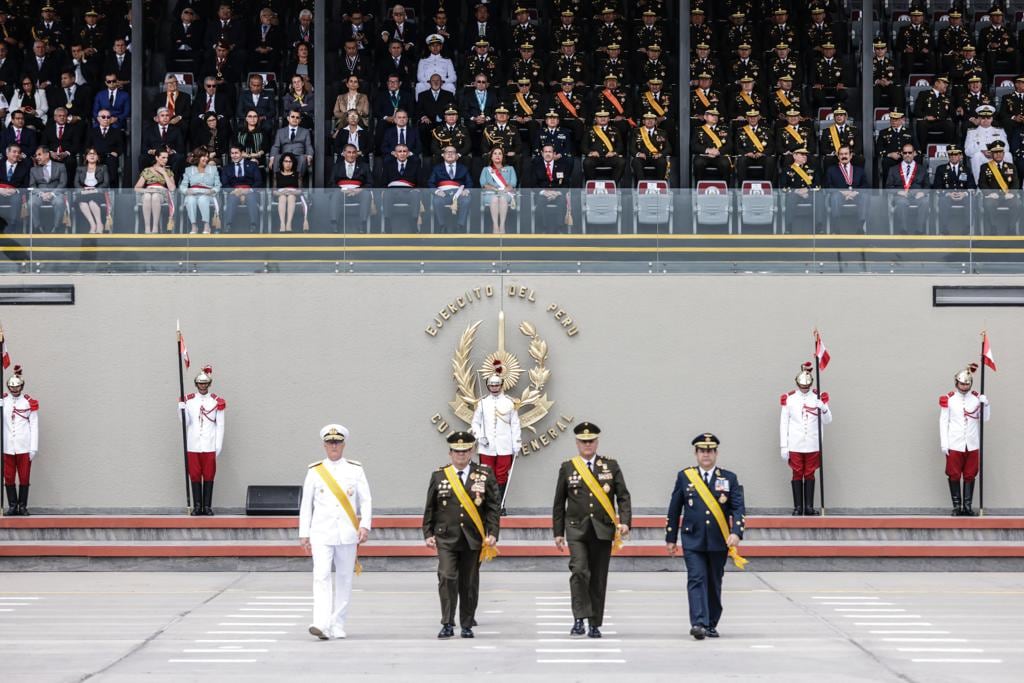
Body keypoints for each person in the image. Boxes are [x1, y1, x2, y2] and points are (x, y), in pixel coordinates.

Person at [552, 422, 631, 639]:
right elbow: (559, 502)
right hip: (576, 529)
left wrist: (625, 521)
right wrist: (558, 532)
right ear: (577, 443)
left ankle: (595, 622)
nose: (587, 444)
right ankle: (579, 618)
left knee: (598, 577)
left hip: (602, 529)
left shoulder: (610, 466)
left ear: (597, 442)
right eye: (583, 441)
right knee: (579, 571)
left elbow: (623, 496)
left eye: (591, 441)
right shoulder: (568, 467)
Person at [665, 433, 746, 641]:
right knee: (696, 578)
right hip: (693, 539)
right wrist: (671, 538)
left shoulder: (728, 478)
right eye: (702, 451)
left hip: (719, 540)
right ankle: (698, 623)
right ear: (696, 453)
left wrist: (736, 532)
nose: (706, 455)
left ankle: (711, 623)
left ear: (716, 453)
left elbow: (738, 508)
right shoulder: (685, 477)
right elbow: (674, 509)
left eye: (710, 451)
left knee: (714, 581)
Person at [423, 431, 500, 639]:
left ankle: (466, 623)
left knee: (469, 582)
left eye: (465, 451)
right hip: (446, 537)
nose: (461, 455)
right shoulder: (439, 475)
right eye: (456, 452)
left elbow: (493, 507)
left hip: (473, 538)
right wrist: (428, 533)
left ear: (472, 451)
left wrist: (493, 532)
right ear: (450, 453)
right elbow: (430, 507)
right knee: (446, 576)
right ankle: (447, 622)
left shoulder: (484, 474)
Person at [299, 424, 371, 640]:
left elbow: (366, 499)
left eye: (337, 442)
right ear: (324, 445)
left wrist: (365, 524)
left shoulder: (355, 469)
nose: (334, 446)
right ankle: (321, 623)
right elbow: (306, 504)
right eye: (330, 442)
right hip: (321, 533)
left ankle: (337, 623)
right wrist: (304, 532)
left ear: (343, 444)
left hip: (347, 533)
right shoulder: (315, 471)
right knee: (321, 577)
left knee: (344, 579)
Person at [780, 362, 832, 516]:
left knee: (809, 474)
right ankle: (798, 507)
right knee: (797, 473)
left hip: (812, 443)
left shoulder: (818, 397)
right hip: (795, 444)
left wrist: (823, 407)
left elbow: (828, 420)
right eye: (802, 385)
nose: (804, 388)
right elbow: (784, 423)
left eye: (807, 385)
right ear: (797, 383)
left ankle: (808, 507)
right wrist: (784, 446)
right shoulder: (789, 399)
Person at [939, 364, 990, 517]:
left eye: (967, 383)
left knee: (970, 474)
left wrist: (985, 404)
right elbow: (943, 421)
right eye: (962, 383)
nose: (964, 386)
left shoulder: (976, 398)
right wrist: (944, 443)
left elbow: (984, 419)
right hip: (954, 443)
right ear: (956, 383)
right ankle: (957, 507)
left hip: (972, 443)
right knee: (953, 474)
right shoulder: (949, 399)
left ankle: (967, 507)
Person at [179, 365, 225, 516]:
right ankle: (197, 506)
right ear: (196, 384)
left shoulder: (216, 401)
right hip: (193, 444)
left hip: (209, 444)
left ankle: (207, 506)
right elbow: (185, 423)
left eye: (205, 383)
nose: (203, 386)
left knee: (209, 475)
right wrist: (181, 409)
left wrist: (218, 446)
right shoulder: (189, 401)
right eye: (200, 383)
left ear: (209, 384)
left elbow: (220, 425)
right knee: (194, 474)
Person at [471, 375, 521, 511]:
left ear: (501, 385)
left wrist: (517, 442)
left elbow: (515, 424)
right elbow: (475, 422)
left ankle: (500, 505)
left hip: (505, 446)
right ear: (488, 386)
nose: (494, 388)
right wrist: (479, 436)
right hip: (487, 446)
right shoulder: (482, 403)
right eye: (492, 385)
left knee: (502, 475)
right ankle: (489, 506)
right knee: (487, 475)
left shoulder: (510, 402)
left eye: (497, 385)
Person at [2, 366, 39, 516]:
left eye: (17, 387)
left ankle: (22, 506)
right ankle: (12, 506)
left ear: (21, 387)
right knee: (8, 476)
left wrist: (33, 448)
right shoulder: (3, 400)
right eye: (12, 387)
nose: (14, 390)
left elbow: (34, 425)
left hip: (24, 446)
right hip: (7, 446)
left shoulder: (28, 402)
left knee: (24, 477)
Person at [884, 144, 928, 234]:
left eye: (910, 152)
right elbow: (888, 187)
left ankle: (919, 232)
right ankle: (903, 231)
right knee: (901, 203)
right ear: (902, 154)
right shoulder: (893, 169)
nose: (907, 154)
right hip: (901, 196)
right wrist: (898, 192)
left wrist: (923, 193)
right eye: (905, 153)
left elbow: (927, 186)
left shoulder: (922, 169)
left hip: (918, 196)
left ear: (914, 153)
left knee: (925, 201)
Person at [428, 145, 471, 232]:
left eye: (453, 152)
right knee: (436, 200)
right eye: (447, 152)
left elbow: (469, 182)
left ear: (457, 156)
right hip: (443, 193)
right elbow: (430, 183)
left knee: (466, 199)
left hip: (459, 193)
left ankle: (460, 226)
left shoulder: (463, 168)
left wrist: (467, 190)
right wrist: (436, 191)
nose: (450, 154)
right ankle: (442, 226)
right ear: (443, 155)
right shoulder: (437, 168)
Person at [179, 147, 222, 234]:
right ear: (197, 157)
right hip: (193, 194)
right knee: (190, 200)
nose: (206, 158)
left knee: (203, 199)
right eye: (203, 156)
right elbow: (182, 186)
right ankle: (194, 226)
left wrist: (212, 191)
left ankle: (207, 225)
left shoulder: (213, 169)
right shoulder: (189, 170)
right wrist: (187, 191)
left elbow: (218, 185)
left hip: (208, 195)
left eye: (207, 156)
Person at [330, 143, 372, 231]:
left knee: (366, 195)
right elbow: (331, 183)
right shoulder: (337, 166)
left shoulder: (364, 166)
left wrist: (359, 190)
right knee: (335, 194)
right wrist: (342, 190)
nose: (351, 155)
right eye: (349, 152)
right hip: (342, 192)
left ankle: (362, 224)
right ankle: (334, 224)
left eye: (354, 152)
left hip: (358, 192)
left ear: (357, 154)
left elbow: (370, 183)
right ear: (344, 153)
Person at [221, 145, 263, 233]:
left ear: (242, 153)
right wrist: (234, 191)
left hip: (249, 191)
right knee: (232, 198)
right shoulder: (226, 168)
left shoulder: (252, 165)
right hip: (234, 192)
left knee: (251, 197)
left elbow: (259, 181)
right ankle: (228, 226)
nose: (234, 155)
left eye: (236, 153)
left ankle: (253, 225)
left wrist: (248, 190)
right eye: (232, 153)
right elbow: (224, 184)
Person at [28, 145, 68, 233]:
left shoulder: (60, 166)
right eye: (36, 155)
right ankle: (37, 227)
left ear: (47, 155)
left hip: (55, 193)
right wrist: (41, 194)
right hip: (39, 194)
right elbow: (32, 185)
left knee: (59, 202)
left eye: (39, 154)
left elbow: (63, 183)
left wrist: (52, 194)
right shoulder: (33, 170)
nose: (37, 157)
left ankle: (57, 227)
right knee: (31, 202)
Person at [134, 150, 175, 234]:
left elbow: (172, 188)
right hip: (148, 192)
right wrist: (147, 190)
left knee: (155, 196)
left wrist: (164, 173)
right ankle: (147, 228)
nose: (166, 160)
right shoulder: (147, 170)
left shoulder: (168, 171)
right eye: (163, 157)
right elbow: (136, 188)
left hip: (162, 193)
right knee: (147, 196)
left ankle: (155, 227)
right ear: (156, 157)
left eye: (167, 158)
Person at [478, 147, 517, 234]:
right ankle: (495, 226)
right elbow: (483, 184)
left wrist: (504, 190)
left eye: (500, 153)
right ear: (491, 157)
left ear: (503, 157)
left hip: (506, 193)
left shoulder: (510, 169)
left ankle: (502, 226)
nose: (497, 155)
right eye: (495, 153)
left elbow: (513, 184)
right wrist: (495, 189)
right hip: (490, 194)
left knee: (502, 199)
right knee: (495, 198)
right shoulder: (486, 169)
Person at [74, 147, 109, 234]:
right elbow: (76, 183)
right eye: (90, 153)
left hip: (98, 192)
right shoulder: (80, 168)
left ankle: (99, 223)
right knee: (82, 202)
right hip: (84, 192)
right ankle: (93, 225)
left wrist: (96, 189)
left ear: (98, 157)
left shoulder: (103, 167)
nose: (92, 155)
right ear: (86, 157)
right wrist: (83, 189)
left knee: (92, 202)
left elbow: (106, 183)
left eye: (94, 154)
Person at [273, 153, 304, 232]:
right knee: (283, 197)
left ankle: (289, 223)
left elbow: (301, 190)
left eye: (290, 162)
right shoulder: (277, 174)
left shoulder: (297, 174)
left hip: (294, 195)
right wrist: (282, 193)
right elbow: (274, 191)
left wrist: (292, 192)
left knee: (291, 197)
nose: (288, 164)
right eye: (286, 161)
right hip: (280, 195)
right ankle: (282, 223)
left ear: (293, 163)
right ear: (282, 163)